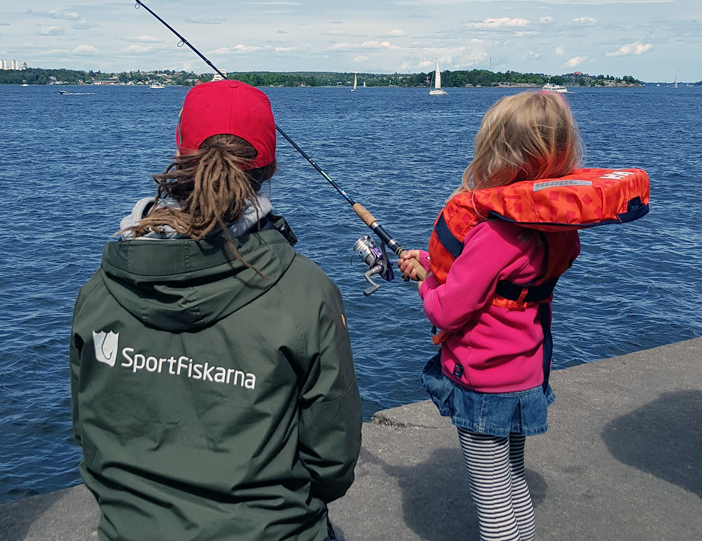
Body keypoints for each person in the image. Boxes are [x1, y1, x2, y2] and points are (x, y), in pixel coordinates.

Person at [70, 80, 363, 541]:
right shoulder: (306, 291)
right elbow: (332, 462)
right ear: (268, 166)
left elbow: (89, 435)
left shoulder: (99, 291)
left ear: (180, 149)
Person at [399, 91, 584, 541]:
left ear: (498, 157)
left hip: (484, 383)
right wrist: (433, 261)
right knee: (513, 479)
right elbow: (502, 283)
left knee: (491, 498)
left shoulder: (495, 234)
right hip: (527, 375)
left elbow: (446, 309)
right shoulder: (554, 227)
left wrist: (424, 281)